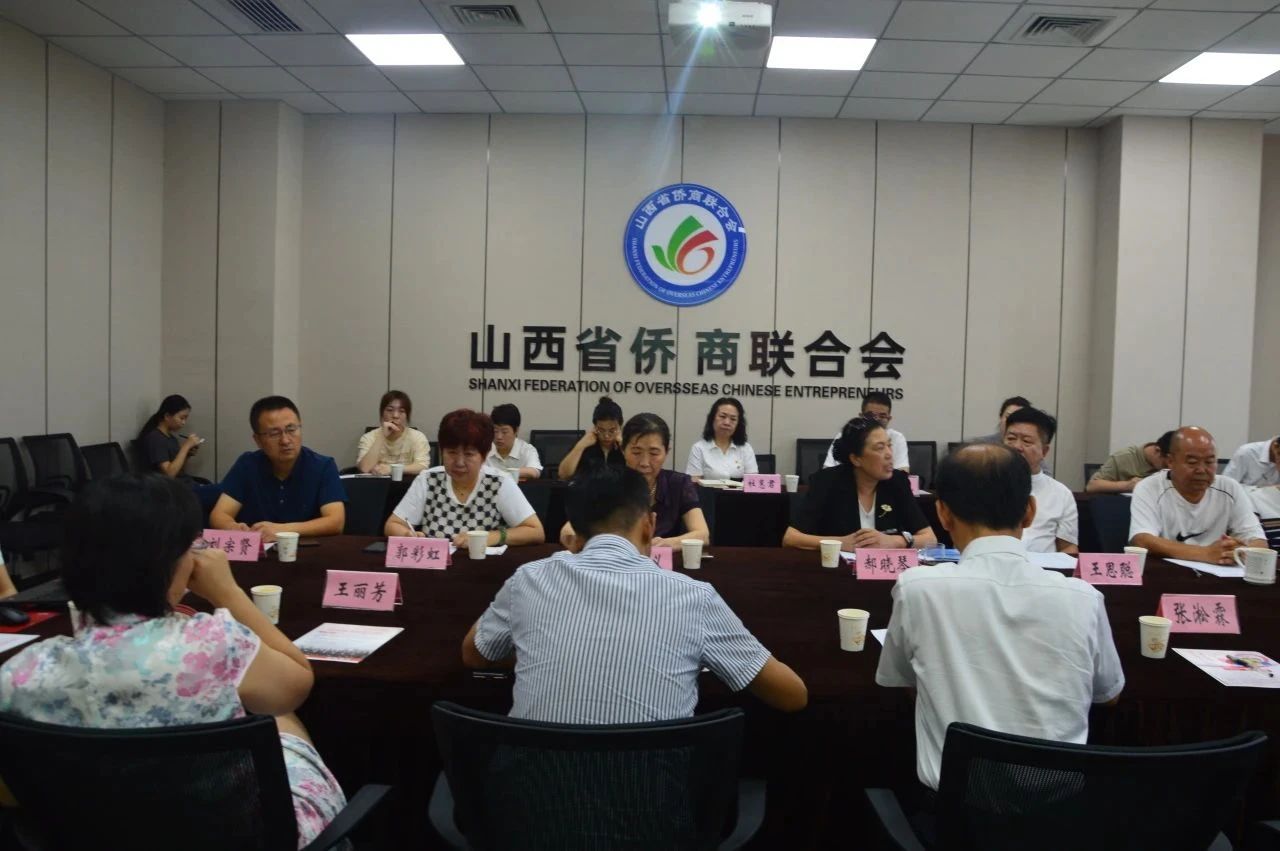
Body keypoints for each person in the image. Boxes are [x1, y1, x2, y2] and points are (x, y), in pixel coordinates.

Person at [0, 475, 346, 846]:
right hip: (234, 836)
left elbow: (11, 795)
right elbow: (297, 684)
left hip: (95, 835)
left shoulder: (19, 675)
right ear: (173, 563)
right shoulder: (214, 644)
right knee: (277, 715)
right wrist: (228, 592)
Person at [461, 465, 807, 722]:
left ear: (575, 532)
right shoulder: (693, 598)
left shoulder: (529, 580)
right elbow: (792, 696)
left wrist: (534, 647)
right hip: (654, 797)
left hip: (531, 795)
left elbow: (475, 654)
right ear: (649, 525)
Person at [876, 444, 1124, 792]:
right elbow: (1108, 695)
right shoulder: (1084, 598)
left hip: (952, 812)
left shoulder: (918, 589)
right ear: (1030, 512)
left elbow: (900, 678)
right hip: (1058, 812)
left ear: (942, 514)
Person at [385, 409, 544, 549]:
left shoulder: (499, 482)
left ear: (484, 456)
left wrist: (492, 537)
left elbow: (535, 531)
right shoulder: (428, 480)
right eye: (452, 453)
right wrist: (407, 534)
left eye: (469, 454)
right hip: (436, 567)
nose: (459, 462)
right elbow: (393, 524)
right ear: (442, 452)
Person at [784, 416, 937, 552]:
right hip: (838, 570)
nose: (889, 454)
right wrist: (840, 543)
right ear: (856, 459)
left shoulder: (897, 482)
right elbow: (791, 538)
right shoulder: (827, 481)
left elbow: (930, 539)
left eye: (889, 445)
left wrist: (894, 541)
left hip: (884, 571)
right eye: (880, 448)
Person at [560, 413, 710, 550]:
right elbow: (569, 530)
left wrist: (668, 543)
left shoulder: (679, 483)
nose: (644, 463)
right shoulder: (607, 481)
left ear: (666, 452)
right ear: (623, 449)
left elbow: (702, 534)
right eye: (636, 452)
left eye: (654, 453)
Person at [209, 396, 345, 542]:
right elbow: (219, 515)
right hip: (259, 552)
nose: (285, 440)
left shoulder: (323, 466)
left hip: (307, 551)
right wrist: (234, 528)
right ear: (258, 440)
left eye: (291, 429)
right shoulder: (248, 464)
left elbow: (336, 522)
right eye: (274, 434)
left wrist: (280, 530)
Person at [1130, 426, 1267, 565]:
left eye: (1209, 462)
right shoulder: (1150, 487)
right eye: (1192, 462)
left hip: (1219, 572)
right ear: (1170, 461)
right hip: (1167, 571)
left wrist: (1238, 552)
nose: (1201, 470)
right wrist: (1205, 553)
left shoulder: (1230, 488)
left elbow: (1259, 542)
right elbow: (1141, 540)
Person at [1003, 407, 1077, 555]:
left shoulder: (1061, 493)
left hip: (1042, 567)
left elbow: (1068, 548)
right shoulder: (983, 483)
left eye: (1026, 441)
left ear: (1044, 451)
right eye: (1011, 439)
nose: (1017, 447)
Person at [136, 394, 221, 510]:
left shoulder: (171, 438)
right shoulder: (155, 438)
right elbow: (169, 474)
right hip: (173, 491)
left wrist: (187, 454)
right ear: (167, 416)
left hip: (185, 485)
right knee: (224, 494)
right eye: (181, 418)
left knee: (227, 492)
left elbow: (179, 470)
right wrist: (185, 447)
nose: (184, 422)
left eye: (186, 419)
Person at [967, 395, 1052, 477]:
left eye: (1026, 441)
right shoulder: (978, 445)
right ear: (1001, 418)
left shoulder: (1034, 456)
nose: (1016, 446)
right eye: (1009, 416)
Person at [822, 391, 908, 471]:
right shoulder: (846, 435)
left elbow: (903, 472)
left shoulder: (897, 438)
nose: (876, 420)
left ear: (889, 419)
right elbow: (827, 470)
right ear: (861, 416)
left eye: (882, 416)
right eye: (870, 415)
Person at [355, 390, 431, 476]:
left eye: (401, 411)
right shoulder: (369, 437)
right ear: (382, 413)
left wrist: (392, 469)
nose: (395, 415)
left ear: (407, 416)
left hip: (407, 483)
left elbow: (423, 466)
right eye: (390, 410)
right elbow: (365, 468)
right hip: (377, 483)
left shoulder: (417, 437)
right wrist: (382, 436)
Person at [685, 397, 758, 481]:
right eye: (722, 416)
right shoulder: (699, 448)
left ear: (738, 424)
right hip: (707, 490)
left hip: (739, 490)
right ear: (712, 418)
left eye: (733, 419)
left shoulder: (745, 448)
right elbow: (693, 482)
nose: (727, 422)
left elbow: (753, 482)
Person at [556, 396, 624, 479]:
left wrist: (624, 447)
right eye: (601, 430)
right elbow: (563, 474)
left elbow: (636, 475)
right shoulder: (585, 444)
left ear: (620, 426)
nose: (606, 435)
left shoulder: (627, 446)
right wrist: (580, 447)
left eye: (612, 430)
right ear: (595, 426)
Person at [1085, 431, 1174, 494]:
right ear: (1157, 451)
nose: (1170, 468)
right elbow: (1091, 486)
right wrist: (1127, 485)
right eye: (1166, 464)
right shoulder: (1124, 457)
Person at [486, 403, 543, 481]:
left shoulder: (527, 449)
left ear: (516, 430)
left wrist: (498, 474)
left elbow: (534, 472)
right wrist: (516, 475)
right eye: (495, 431)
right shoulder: (485, 449)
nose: (499, 437)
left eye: (504, 432)